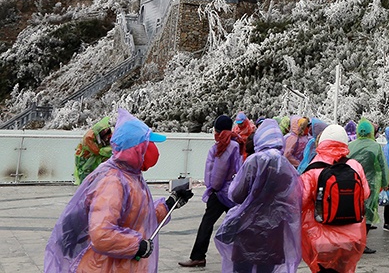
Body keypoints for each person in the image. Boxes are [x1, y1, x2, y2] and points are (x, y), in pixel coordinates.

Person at [46, 109, 191, 272]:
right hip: (105, 267)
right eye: (148, 144)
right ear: (136, 148)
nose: (154, 150)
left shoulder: (132, 176)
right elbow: (101, 234)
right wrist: (137, 246)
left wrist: (170, 203)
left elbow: (139, 219)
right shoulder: (113, 182)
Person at [215, 118, 302, 273]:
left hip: (248, 227)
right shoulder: (285, 165)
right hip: (274, 230)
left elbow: (236, 195)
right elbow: (293, 198)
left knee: (243, 269)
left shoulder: (254, 161)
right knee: (266, 269)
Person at [299, 124, 369, 273]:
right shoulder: (354, 165)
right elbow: (366, 193)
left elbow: (300, 200)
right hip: (352, 238)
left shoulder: (313, 169)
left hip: (321, 240)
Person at [180, 115, 243, 268]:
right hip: (233, 192)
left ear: (217, 130)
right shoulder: (237, 145)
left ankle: (198, 256)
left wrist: (213, 188)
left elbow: (217, 172)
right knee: (238, 224)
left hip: (220, 192)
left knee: (206, 224)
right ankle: (244, 256)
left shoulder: (222, 146)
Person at [348, 118, 389, 254]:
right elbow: (382, 165)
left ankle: (352, 241)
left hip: (352, 183)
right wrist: (385, 183)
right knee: (367, 213)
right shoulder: (375, 146)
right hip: (370, 183)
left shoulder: (350, 145)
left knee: (354, 212)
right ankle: (361, 243)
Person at [74, 116, 112, 185]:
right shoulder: (89, 138)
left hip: (95, 156)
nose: (107, 139)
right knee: (85, 174)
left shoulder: (106, 132)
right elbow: (97, 151)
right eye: (106, 138)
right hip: (84, 157)